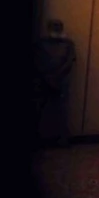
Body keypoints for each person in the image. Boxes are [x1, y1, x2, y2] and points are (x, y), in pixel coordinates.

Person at [33, 19, 76, 147]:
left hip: (60, 79)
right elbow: (37, 61)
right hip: (45, 79)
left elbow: (70, 60)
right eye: (54, 26)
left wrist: (56, 75)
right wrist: (48, 76)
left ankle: (62, 139)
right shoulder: (41, 44)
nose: (56, 28)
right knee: (39, 109)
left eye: (58, 26)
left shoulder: (68, 44)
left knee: (62, 110)